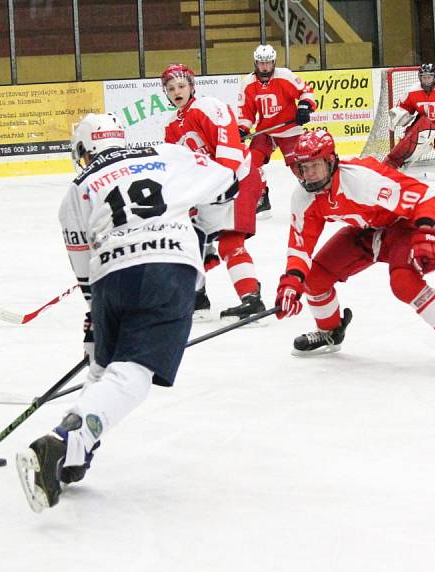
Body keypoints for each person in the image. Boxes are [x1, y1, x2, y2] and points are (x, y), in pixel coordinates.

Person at [16, 113, 240, 512]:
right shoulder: (169, 154)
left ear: (85, 149)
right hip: (168, 267)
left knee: (104, 372)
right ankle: (66, 440)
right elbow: (228, 182)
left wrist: (94, 319)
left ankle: (73, 456)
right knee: (133, 375)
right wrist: (205, 235)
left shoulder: (78, 188)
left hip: (109, 277)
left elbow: (81, 266)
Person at [273, 129, 435, 377]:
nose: (309, 173)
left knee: (404, 282)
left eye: (315, 165)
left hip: (402, 226)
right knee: (314, 279)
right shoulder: (304, 197)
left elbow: (425, 195)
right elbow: (300, 246)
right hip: (366, 231)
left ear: (331, 161)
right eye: (304, 167)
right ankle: (331, 331)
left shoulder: (362, 180)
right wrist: (292, 282)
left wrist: (425, 233)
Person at [162, 63, 267, 320]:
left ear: (192, 86)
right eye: (171, 88)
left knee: (231, 241)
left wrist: (225, 179)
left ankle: (251, 299)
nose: (177, 91)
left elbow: (228, 143)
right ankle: (197, 299)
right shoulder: (171, 125)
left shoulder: (208, 106)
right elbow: (178, 167)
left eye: (181, 86)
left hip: (238, 178)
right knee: (190, 239)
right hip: (209, 188)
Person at [238, 44, 317, 217]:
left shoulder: (285, 75)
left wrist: (304, 106)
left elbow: (306, 91)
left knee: (300, 167)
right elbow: (246, 112)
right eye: (261, 63)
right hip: (265, 132)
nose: (264, 67)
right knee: (251, 164)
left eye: (268, 63)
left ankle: (315, 197)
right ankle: (262, 199)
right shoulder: (248, 84)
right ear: (255, 63)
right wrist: (242, 129)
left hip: (289, 130)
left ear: (273, 62)